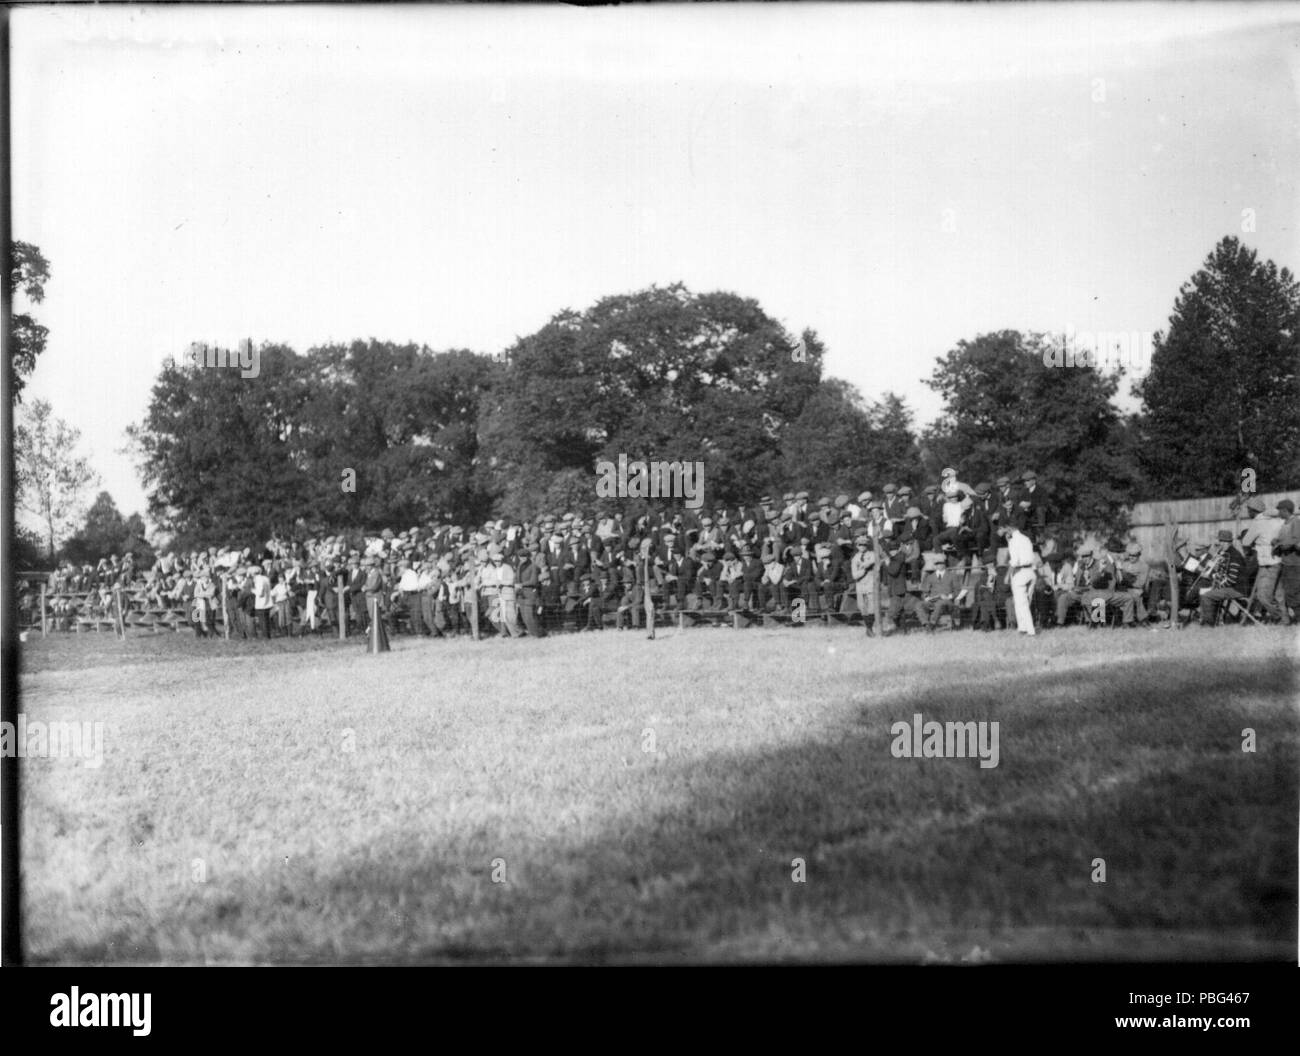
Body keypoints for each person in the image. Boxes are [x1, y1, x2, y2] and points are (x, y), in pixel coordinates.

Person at [1238, 496, 1285, 621]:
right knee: (1279, 594)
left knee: (1262, 596)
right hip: (1279, 560)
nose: (1247, 513)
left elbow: (1246, 541)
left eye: (1248, 510)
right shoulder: (1276, 520)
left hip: (1267, 563)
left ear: (1253, 510)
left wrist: (1257, 542)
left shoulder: (1257, 522)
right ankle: (1286, 621)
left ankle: (1278, 616)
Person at [1006, 524, 1038, 636]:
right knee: (1025, 602)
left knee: (1021, 603)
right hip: (1031, 572)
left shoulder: (1013, 541)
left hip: (1020, 572)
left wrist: (1007, 575)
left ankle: (1030, 630)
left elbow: (1014, 561)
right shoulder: (1026, 538)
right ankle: (1023, 628)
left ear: (1009, 529)